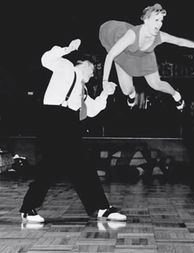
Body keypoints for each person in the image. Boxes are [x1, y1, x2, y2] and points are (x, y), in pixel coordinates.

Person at [19, 38, 127, 223]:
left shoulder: (82, 90)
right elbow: (46, 59)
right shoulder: (67, 67)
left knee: (81, 166)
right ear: (84, 64)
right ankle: (28, 209)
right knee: (52, 166)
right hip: (53, 118)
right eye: (93, 70)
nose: (93, 75)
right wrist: (67, 49)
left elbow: (91, 111)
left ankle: (101, 208)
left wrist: (105, 94)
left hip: (68, 122)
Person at [99, 3, 194, 109]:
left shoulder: (160, 36)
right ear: (146, 20)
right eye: (156, 20)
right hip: (124, 54)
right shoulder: (132, 35)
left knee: (156, 84)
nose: (159, 24)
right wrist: (105, 81)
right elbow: (110, 56)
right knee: (126, 90)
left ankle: (176, 95)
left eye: (161, 21)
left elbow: (180, 42)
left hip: (145, 55)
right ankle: (132, 94)